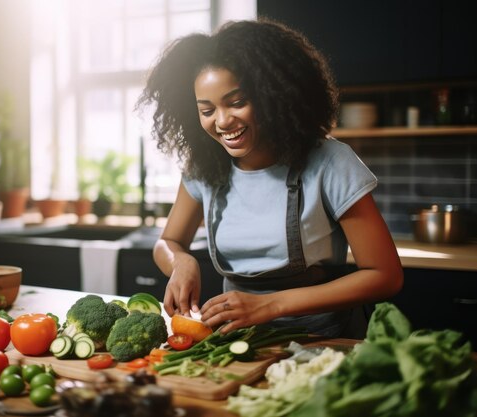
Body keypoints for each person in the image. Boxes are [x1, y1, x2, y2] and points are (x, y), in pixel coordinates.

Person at [137, 19, 403, 338]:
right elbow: (168, 242)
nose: (222, 121)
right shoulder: (203, 167)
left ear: (274, 94)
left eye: (237, 102)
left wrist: (271, 305)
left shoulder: (331, 162)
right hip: (236, 341)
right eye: (207, 110)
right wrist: (180, 262)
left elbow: (385, 275)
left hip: (324, 339)